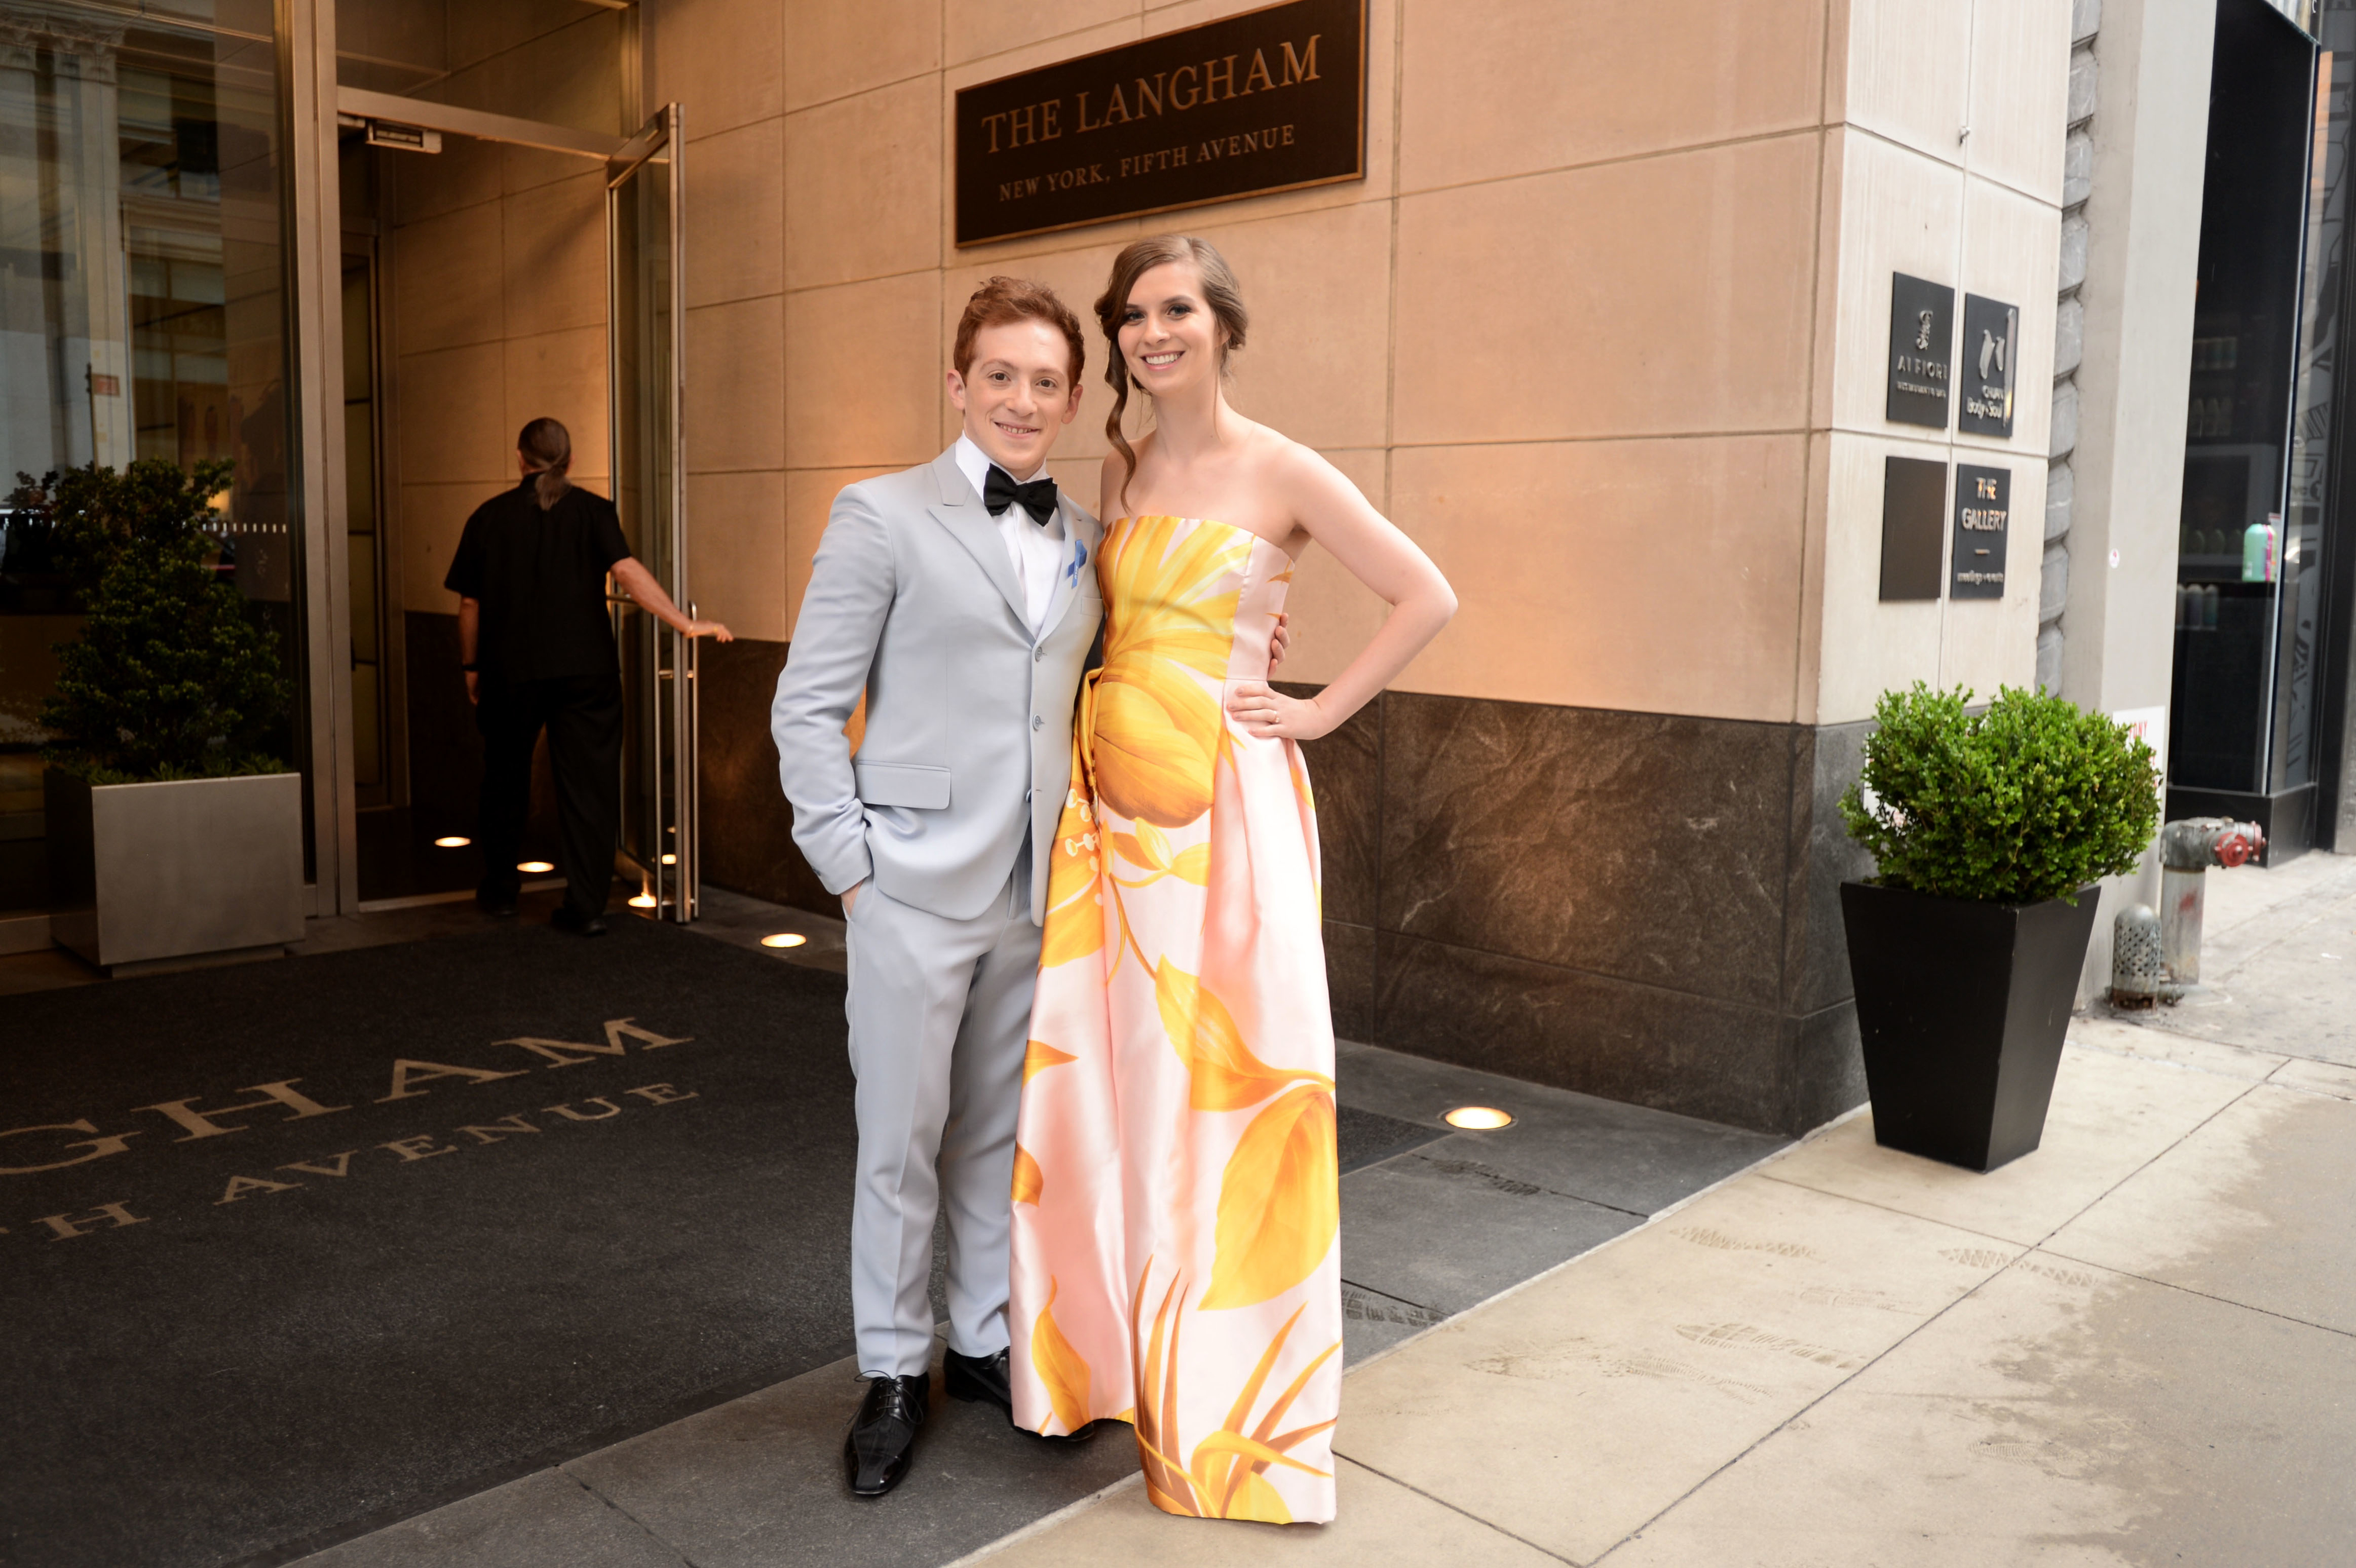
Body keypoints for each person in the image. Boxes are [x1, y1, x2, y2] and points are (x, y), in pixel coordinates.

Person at [1007, 236, 1456, 1525]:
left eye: (1176, 310)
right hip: (1116, 822)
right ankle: (1109, 1363)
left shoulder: (1285, 466)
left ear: (1222, 324)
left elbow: (1425, 593)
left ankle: (1231, 1417)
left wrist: (1312, 714)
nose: (1151, 332)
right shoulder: (1125, 461)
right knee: (1118, 1085)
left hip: (1226, 807)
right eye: (1133, 314)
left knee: (1228, 1087)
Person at [446, 417, 730, 936]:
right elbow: (626, 571)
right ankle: (586, 905)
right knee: (589, 787)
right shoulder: (594, 512)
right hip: (586, 671)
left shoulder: (488, 518)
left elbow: (470, 603)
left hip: (511, 671)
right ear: (569, 462)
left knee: (505, 780)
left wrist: (471, 666)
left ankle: (502, 893)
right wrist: (685, 623)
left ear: (519, 458)